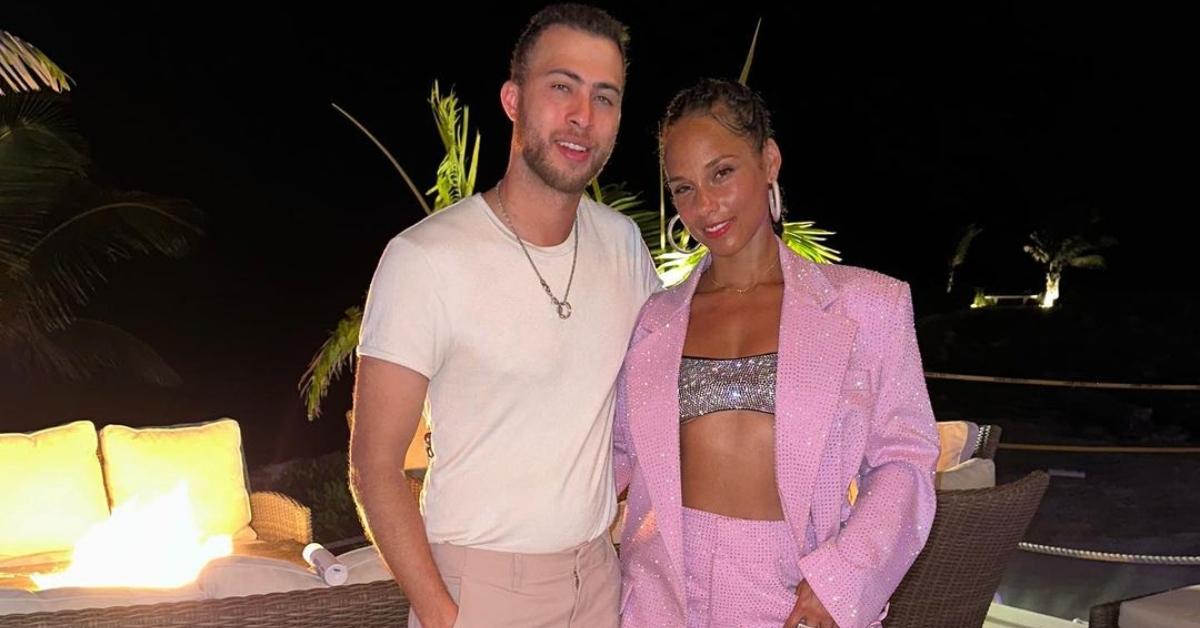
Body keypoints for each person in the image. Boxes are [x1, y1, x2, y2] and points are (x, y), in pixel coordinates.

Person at [348, 5, 660, 627]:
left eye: (606, 97)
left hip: (601, 578)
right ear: (513, 99)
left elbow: (669, 383)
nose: (582, 116)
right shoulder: (425, 260)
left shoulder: (624, 246)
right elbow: (374, 465)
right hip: (480, 591)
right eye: (561, 88)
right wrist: (441, 614)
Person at [613, 78, 939, 628]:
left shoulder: (868, 306)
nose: (706, 206)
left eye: (722, 173)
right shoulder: (654, 320)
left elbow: (905, 460)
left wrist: (841, 583)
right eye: (684, 188)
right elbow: (614, 457)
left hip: (792, 599)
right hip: (658, 597)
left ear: (769, 161)